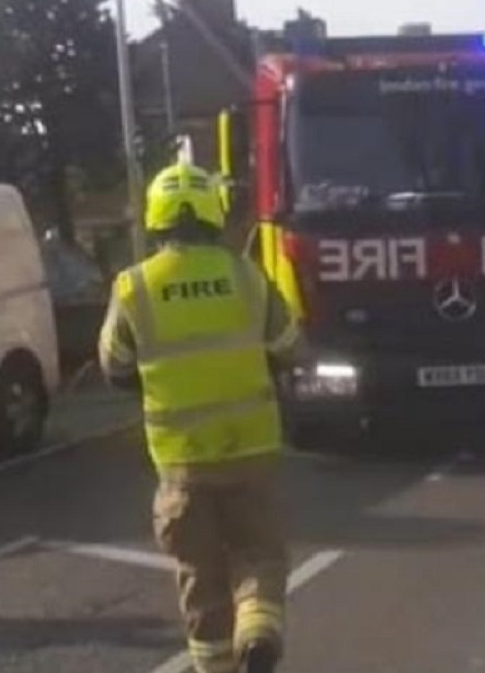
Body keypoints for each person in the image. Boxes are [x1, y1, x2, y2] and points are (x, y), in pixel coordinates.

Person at [97, 161, 302, 673]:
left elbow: (113, 368)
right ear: (212, 212)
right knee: (260, 555)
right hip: (251, 450)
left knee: (200, 577)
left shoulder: (134, 288)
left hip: (182, 464)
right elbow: (291, 347)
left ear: (156, 218)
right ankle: (257, 630)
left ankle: (216, 667)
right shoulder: (245, 276)